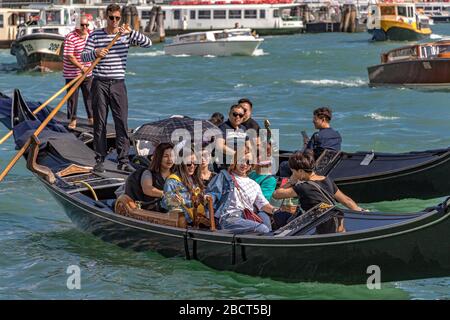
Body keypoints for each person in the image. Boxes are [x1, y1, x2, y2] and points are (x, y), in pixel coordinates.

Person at [81, 3, 152, 173]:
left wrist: (131, 33)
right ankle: (99, 160)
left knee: (121, 122)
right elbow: (84, 56)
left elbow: (148, 44)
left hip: (118, 83)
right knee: (100, 123)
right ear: (107, 17)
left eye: (117, 18)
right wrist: (95, 53)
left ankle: (123, 159)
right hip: (99, 83)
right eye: (111, 18)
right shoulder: (96, 35)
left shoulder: (125, 35)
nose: (114, 21)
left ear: (121, 19)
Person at [272, 151, 363, 234]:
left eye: (293, 172)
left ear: (300, 171)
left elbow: (276, 194)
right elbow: (347, 201)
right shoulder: (326, 179)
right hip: (337, 225)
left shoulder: (303, 187)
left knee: (279, 217)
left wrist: (291, 181)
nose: (292, 175)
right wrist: (361, 211)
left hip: (322, 229)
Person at [206, 149, 277, 234]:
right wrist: (207, 197)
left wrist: (276, 210)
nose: (244, 164)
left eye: (248, 162)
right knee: (263, 229)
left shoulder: (254, 184)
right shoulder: (224, 176)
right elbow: (212, 193)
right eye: (241, 160)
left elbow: (263, 204)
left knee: (266, 225)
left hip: (247, 218)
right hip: (229, 218)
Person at [279, 106, 342, 177]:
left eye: (315, 119)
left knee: (283, 165)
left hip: (313, 169)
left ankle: (289, 186)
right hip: (328, 168)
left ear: (323, 120)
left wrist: (305, 145)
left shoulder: (317, 136)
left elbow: (306, 156)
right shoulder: (337, 135)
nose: (313, 121)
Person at [63, 15, 93, 130]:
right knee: (72, 98)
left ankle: (91, 118)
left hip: (87, 73)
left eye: (86, 25)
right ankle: (72, 119)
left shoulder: (90, 35)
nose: (85, 27)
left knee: (89, 96)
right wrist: (81, 67)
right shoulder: (70, 37)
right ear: (77, 25)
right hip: (72, 74)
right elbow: (70, 56)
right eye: (82, 25)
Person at [124, 143, 174, 211]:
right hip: (151, 208)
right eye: (165, 156)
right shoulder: (148, 173)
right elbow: (148, 189)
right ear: (158, 157)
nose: (170, 159)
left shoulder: (176, 173)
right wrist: (166, 194)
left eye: (172, 156)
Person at [162, 147, 206, 224]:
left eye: (195, 163)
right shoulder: (172, 181)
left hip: (202, 218)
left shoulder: (196, 179)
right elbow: (166, 202)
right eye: (188, 163)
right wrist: (174, 201)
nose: (192, 166)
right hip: (185, 223)